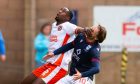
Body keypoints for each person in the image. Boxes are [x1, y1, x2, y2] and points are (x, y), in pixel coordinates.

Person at [21, 7, 85, 84]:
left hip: (58, 66)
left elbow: (81, 30)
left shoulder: (68, 26)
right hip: (48, 63)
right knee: (25, 81)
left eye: (63, 11)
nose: (60, 11)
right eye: (60, 10)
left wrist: (88, 30)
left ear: (67, 18)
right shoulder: (54, 25)